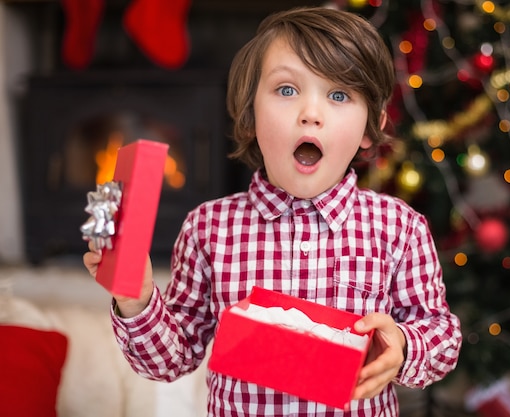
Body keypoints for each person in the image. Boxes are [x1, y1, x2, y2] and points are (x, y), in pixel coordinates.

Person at [83, 6, 462, 416]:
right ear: (249, 119)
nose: (310, 114)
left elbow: (441, 337)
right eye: (286, 90)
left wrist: (404, 347)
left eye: (338, 95)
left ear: (371, 127)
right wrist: (137, 302)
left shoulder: (399, 227)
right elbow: (170, 360)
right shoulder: (208, 228)